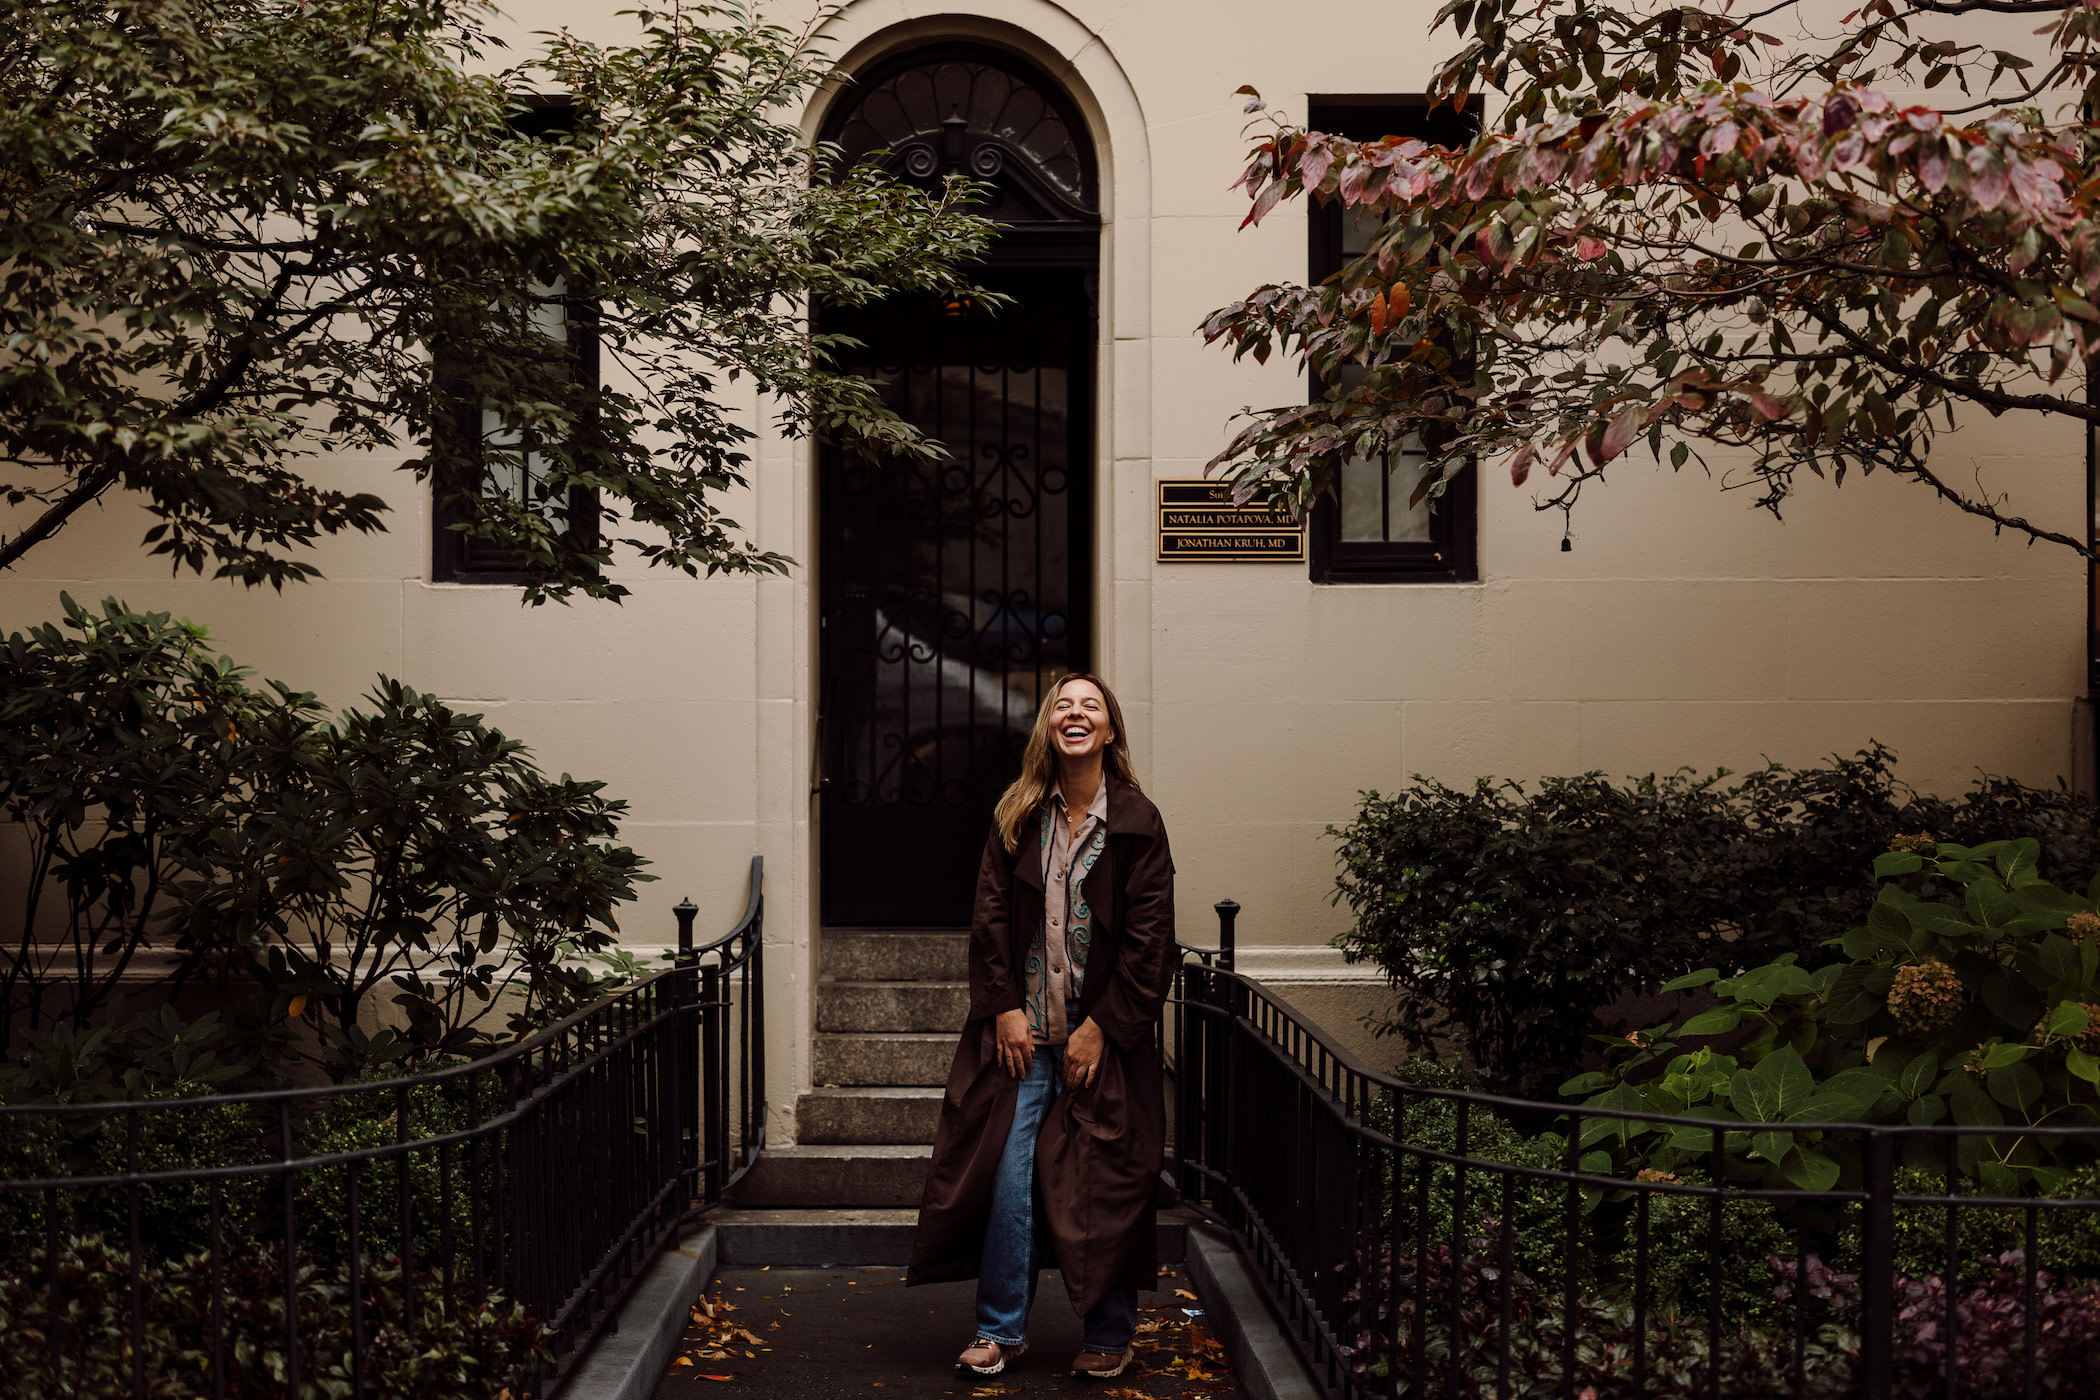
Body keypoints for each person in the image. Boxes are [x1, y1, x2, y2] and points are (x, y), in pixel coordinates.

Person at [906, 671, 1177, 1381]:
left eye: (1091, 705)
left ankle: (1109, 1337)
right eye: (1064, 705)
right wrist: (1003, 1008)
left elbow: (1151, 945)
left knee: (1106, 1188)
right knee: (1010, 1179)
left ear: (1110, 730)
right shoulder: (1018, 815)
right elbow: (990, 919)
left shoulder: (1137, 823)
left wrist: (1106, 1028)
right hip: (1025, 1043)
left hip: (1103, 1050)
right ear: (1049, 728)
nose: (1076, 713)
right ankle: (1000, 1330)